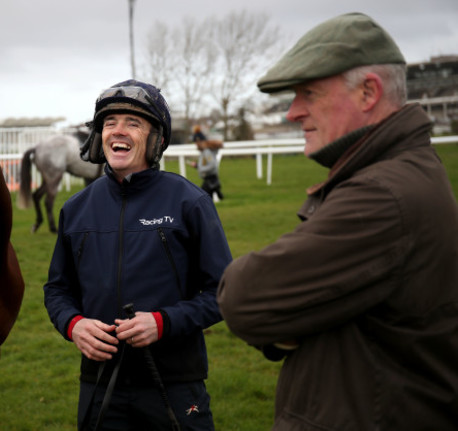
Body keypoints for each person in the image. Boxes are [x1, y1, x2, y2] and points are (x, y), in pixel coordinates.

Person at [217, 12, 458, 431]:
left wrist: (290, 321)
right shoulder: (398, 172)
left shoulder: (383, 193)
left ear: (368, 92)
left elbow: (242, 298)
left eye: (308, 93)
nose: (293, 112)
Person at [44, 79, 232, 430]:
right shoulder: (76, 208)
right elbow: (57, 290)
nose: (119, 130)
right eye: (110, 122)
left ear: (156, 138)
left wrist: (163, 322)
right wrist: (74, 325)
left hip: (174, 382)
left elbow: (224, 292)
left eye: (133, 123)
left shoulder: (190, 202)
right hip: (99, 383)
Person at [189, 126, 223, 200]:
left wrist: (200, 168)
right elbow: (206, 165)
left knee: (203, 198)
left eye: (195, 142)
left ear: (198, 142)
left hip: (210, 180)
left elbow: (212, 165)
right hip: (210, 180)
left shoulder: (206, 151)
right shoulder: (204, 151)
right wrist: (197, 165)